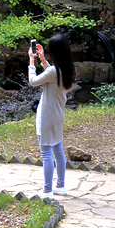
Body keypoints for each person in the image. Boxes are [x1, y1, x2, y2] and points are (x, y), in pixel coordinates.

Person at [29, 33, 76, 198]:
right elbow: (51, 74)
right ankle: (60, 186)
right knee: (58, 149)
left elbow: (33, 81)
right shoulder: (68, 69)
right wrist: (42, 60)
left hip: (47, 116)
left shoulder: (54, 72)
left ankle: (47, 190)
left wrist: (31, 61)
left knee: (46, 153)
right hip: (58, 115)